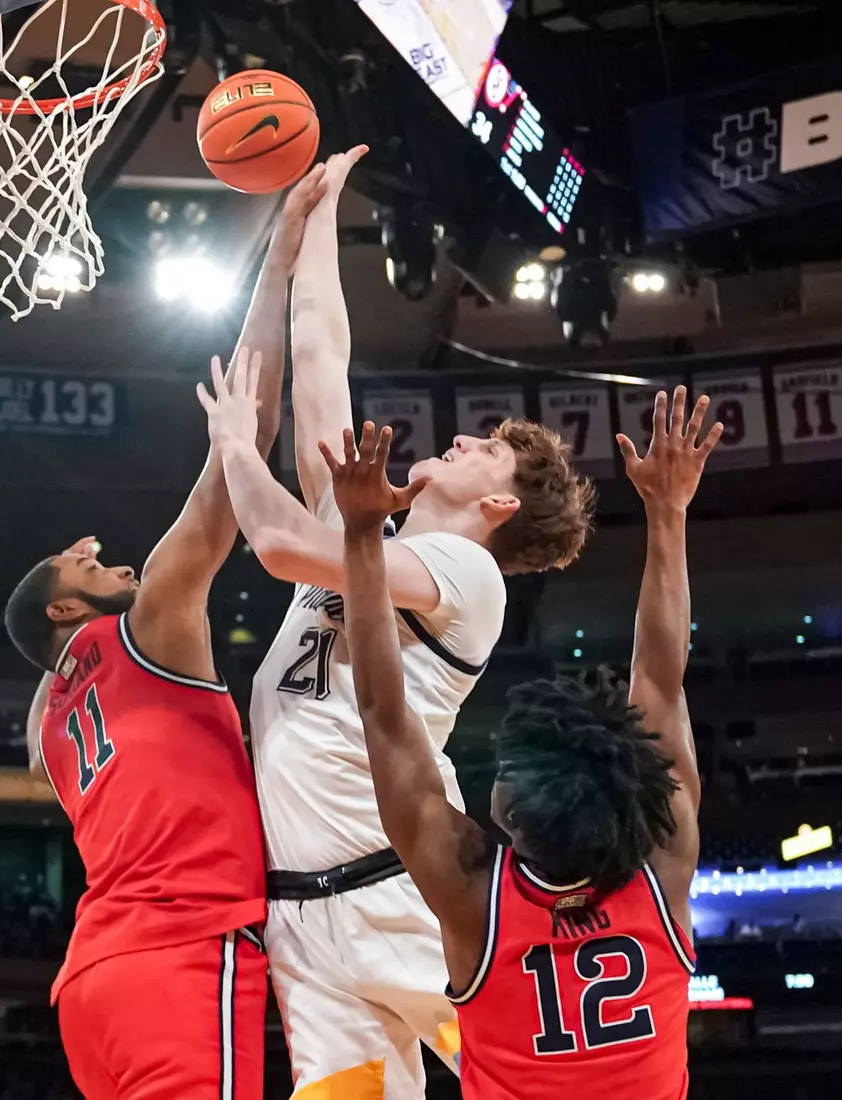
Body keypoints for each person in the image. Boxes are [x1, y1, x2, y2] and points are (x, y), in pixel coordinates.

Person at [196, 147, 594, 1098]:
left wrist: (229, 444)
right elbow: (323, 360)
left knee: (539, 1087)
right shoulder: (364, 533)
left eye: (484, 452)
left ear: (500, 507)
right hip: (303, 913)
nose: (458, 440)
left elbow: (284, 548)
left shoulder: (467, 574)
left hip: (404, 889)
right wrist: (312, 220)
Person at [1, 166, 328, 1100]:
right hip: (182, 950)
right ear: (67, 610)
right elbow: (245, 444)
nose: (106, 559)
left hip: (93, 983)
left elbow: (45, 670)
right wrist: (277, 263)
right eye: (81, 566)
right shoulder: (147, 629)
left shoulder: (50, 722)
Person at [324, 387, 719, 1099]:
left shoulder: (478, 896)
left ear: (510, 813)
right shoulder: (660, 865)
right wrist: (669, 511)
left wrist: (360, 537)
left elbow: (385, 715)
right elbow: (660, 682)